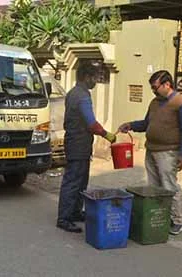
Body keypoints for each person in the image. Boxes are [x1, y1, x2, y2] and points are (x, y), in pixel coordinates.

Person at [118, 70, 182, 235]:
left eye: (155, 87)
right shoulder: (154, 103)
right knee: (154, 187)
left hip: (169, 152)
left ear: (167, 85)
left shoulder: (181, 104)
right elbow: (147, 123)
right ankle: (159, 218)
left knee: (169, 186)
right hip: (151, 149)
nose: (153, 90)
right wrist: (130, 125)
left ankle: (176, 221)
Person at [57, 61, 116, 233]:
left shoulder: (73, 93)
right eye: (95, 78)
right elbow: (91, 124)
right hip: (78, 144)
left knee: (81, 181)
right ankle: (64, 218)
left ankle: (74, 212)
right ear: (87, 77)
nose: (96, 82)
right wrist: (107, 135)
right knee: (74, 182)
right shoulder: (82, 96)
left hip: (75, 142)